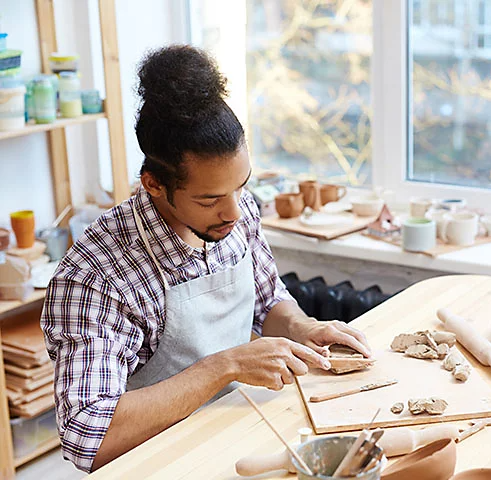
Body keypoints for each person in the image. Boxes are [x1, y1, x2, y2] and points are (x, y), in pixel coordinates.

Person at [41, 45, 371, 472]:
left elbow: (266, 300)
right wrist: (224, 367)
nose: (234, 211)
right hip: (158, 465)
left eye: (241, 186)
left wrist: (302, 327)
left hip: (232, 437)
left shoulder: (233, 209)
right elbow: (89, 436)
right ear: (154, 185)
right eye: (211, 198)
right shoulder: (96, 276)